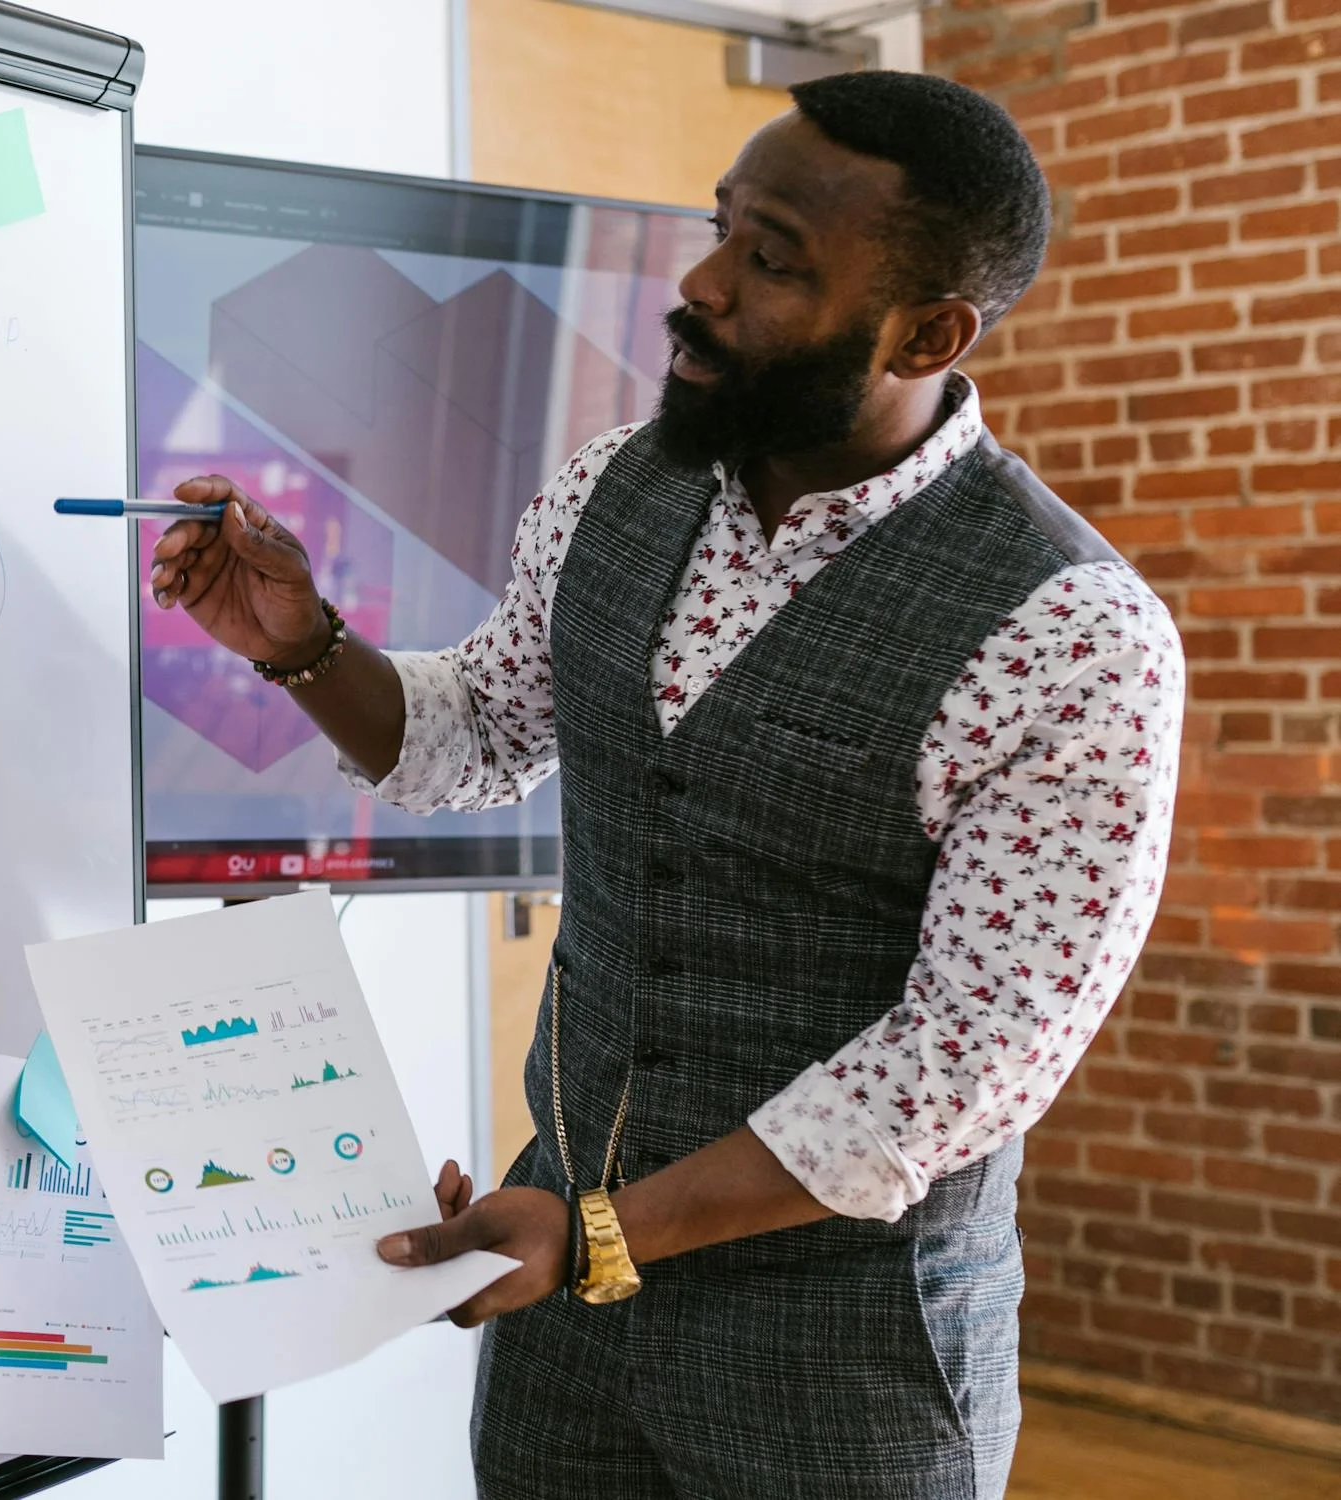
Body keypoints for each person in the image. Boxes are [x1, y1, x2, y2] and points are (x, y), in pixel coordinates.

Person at [147, 70, 1182, 1499]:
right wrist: (302, 646)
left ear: (928, 331)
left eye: (772, 262)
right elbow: (480, 732)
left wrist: (601, 1233)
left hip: (843, 1353)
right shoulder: (609, 489)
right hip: (563, 1313)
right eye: (720, 230)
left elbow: (965, 1059)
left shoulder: (1067, 631)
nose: (696, 287)